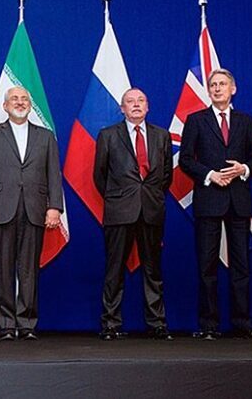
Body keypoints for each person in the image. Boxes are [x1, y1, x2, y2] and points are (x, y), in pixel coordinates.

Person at [179, 68, 252, 340]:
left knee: (242, 267)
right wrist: (210, 175)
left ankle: (243, 323)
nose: (217, 89)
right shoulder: (196, 120)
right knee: (207, 266)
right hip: (209, 201)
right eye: (213, 85)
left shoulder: (245, 121)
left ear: (233, 89)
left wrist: (242, 169)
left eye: (222, 84)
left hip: (239, 201)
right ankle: (209, 324)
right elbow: (185, 159)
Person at [0, 86, 63, 341]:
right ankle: (6, 324)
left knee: (29, 270)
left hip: (35, 210)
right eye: (15, 98)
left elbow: (53, 175)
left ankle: (27, 324)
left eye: (24, 99)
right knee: (1, 269)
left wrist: (54, 206)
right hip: (0, 209)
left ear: (30, 105)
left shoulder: (46, 136)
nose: (20, 102)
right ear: (5, 106)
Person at [93, 87, 173, 341]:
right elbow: (100, 176)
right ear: (122, 108)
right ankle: (110, 324)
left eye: (141, 101)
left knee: (153, 270)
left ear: (147, 107)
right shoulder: (107, 135)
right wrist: (120, 197)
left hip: (151, 210)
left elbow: (166, 175)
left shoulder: (162, 136)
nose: (136, 105)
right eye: (130, 101)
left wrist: (148, 197)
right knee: (114, 270)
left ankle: (157, 324)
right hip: (119, 211)